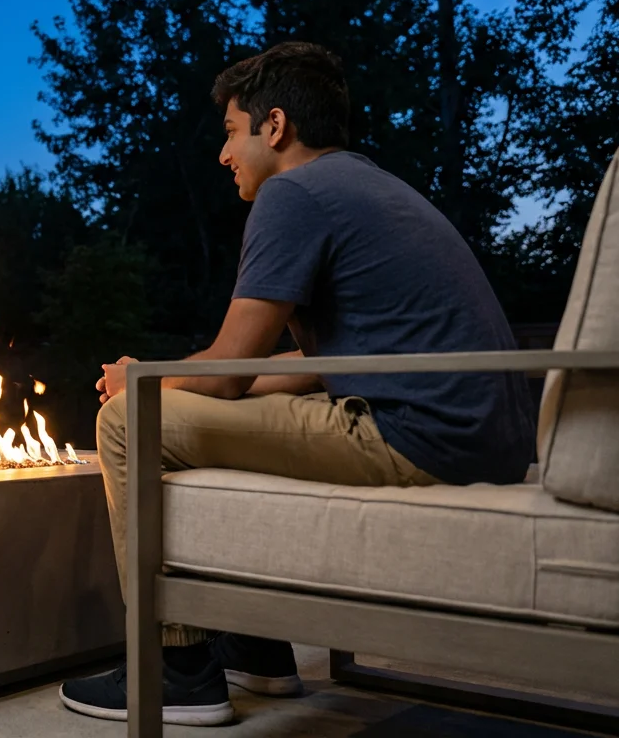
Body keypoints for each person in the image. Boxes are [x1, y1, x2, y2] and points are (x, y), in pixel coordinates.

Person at [58, 42, 535, 727]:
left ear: (275, 126)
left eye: (231, 132)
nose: (223, 155)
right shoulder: (369, 186)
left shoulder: (293, 194)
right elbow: (305, 367)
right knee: (201, 411)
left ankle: (176, 671)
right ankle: (256, 645)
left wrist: (141, 379)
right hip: (486, 441)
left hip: (418, 439)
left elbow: (229, 368)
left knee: (128, 421)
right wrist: (187, 388)